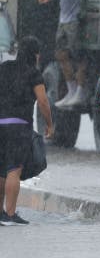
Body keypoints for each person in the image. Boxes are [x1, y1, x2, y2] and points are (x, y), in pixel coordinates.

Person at [0, 36, 54, 226]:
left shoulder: (4, 67)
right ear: (36, 54)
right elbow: (43, 101)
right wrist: (49, 123)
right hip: (19, 126)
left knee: (1, 171)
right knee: (14, 170)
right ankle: (11, 213)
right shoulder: (34, 73)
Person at [36, 0, 95, 108]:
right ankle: (71, 90)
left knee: (78, 56)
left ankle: (80, 91)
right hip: (63, 20)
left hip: (75, 20)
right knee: (61, 55)